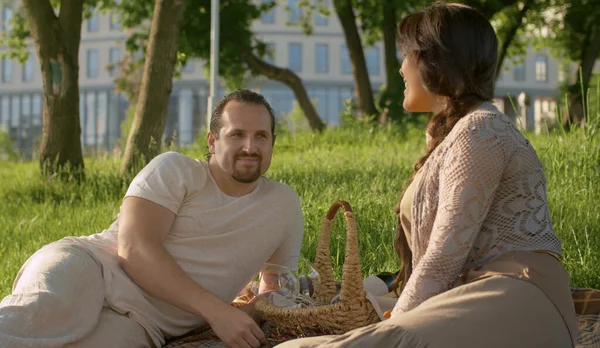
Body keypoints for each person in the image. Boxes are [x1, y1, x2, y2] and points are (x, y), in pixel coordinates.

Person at [277, 3, 577, 347]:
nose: (402, 67)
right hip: (472, 296)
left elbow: (443, 258)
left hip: (514, 297)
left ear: (436, 61)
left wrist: (391, 325)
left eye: (408, 54)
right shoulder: (457, 134)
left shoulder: (481, 131)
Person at [0, 89, 304, 348]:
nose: (250, 147)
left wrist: (249, 313)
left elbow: (277, 286)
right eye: (237, 134)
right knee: (40, 316)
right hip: (93, 268)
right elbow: (135, 250)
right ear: (212, 141)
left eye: (260, 136)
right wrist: (216, 311)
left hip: (144, 324)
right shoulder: (174, 170)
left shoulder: (284, 204)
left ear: (272, 142)